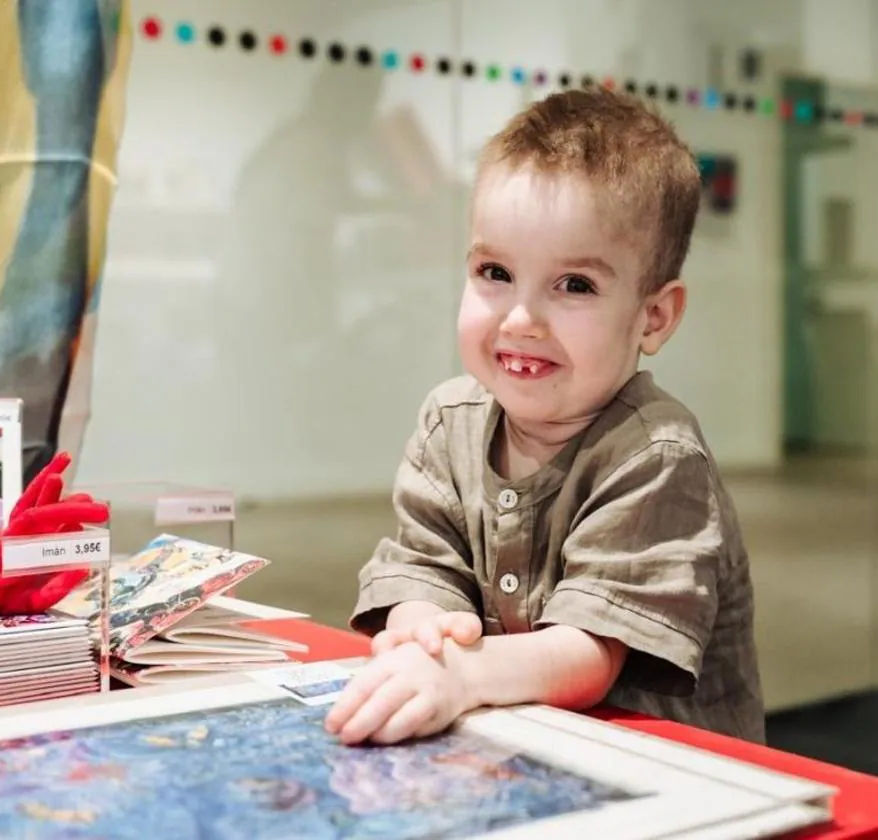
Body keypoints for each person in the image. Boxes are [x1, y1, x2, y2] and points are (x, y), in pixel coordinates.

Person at [324, 88, 765, 747]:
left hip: (670, 773)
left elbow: (590, 651)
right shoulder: (452, 422)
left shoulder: (654, 454)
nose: (520, 318)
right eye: (495, 271)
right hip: (531, 748)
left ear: (654, 316)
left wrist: (460, 675)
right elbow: (424, 567)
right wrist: (424, 632)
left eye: (575, 285)